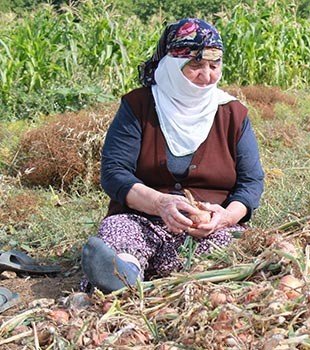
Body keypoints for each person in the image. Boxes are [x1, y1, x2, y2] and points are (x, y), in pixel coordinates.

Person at [81, 18, 265, 293]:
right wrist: (160, 204)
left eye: (214, 66)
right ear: (171, 65)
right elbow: (114, 172)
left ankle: (177, 282)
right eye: (195, 66)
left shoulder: (233, 114)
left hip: (209, 229)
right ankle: (123, 276)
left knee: (228, 250)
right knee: (120, 233)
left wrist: (225, 217)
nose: (207, 76)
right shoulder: (139, 106)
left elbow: (251, 183)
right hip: (141, 219)